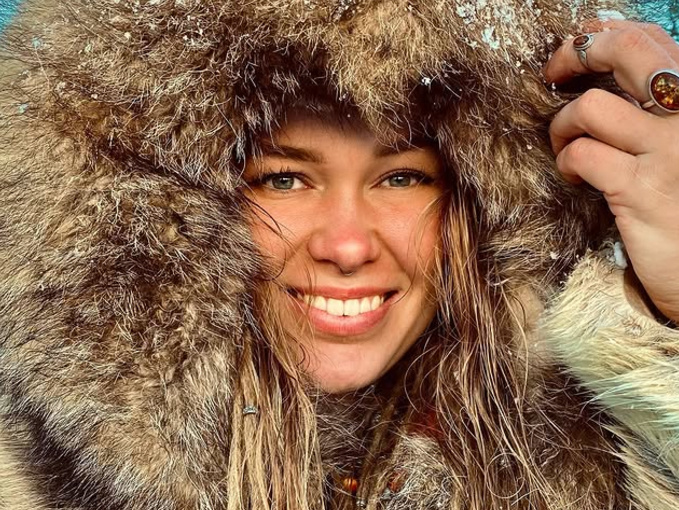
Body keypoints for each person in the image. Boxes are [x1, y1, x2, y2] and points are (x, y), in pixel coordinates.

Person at [0, 0, 678, 509]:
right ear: (158, 210)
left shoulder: (606, 440)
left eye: (403, 177)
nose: (347, 247)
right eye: (283, 179)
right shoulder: (24, 471)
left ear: (482, 203)